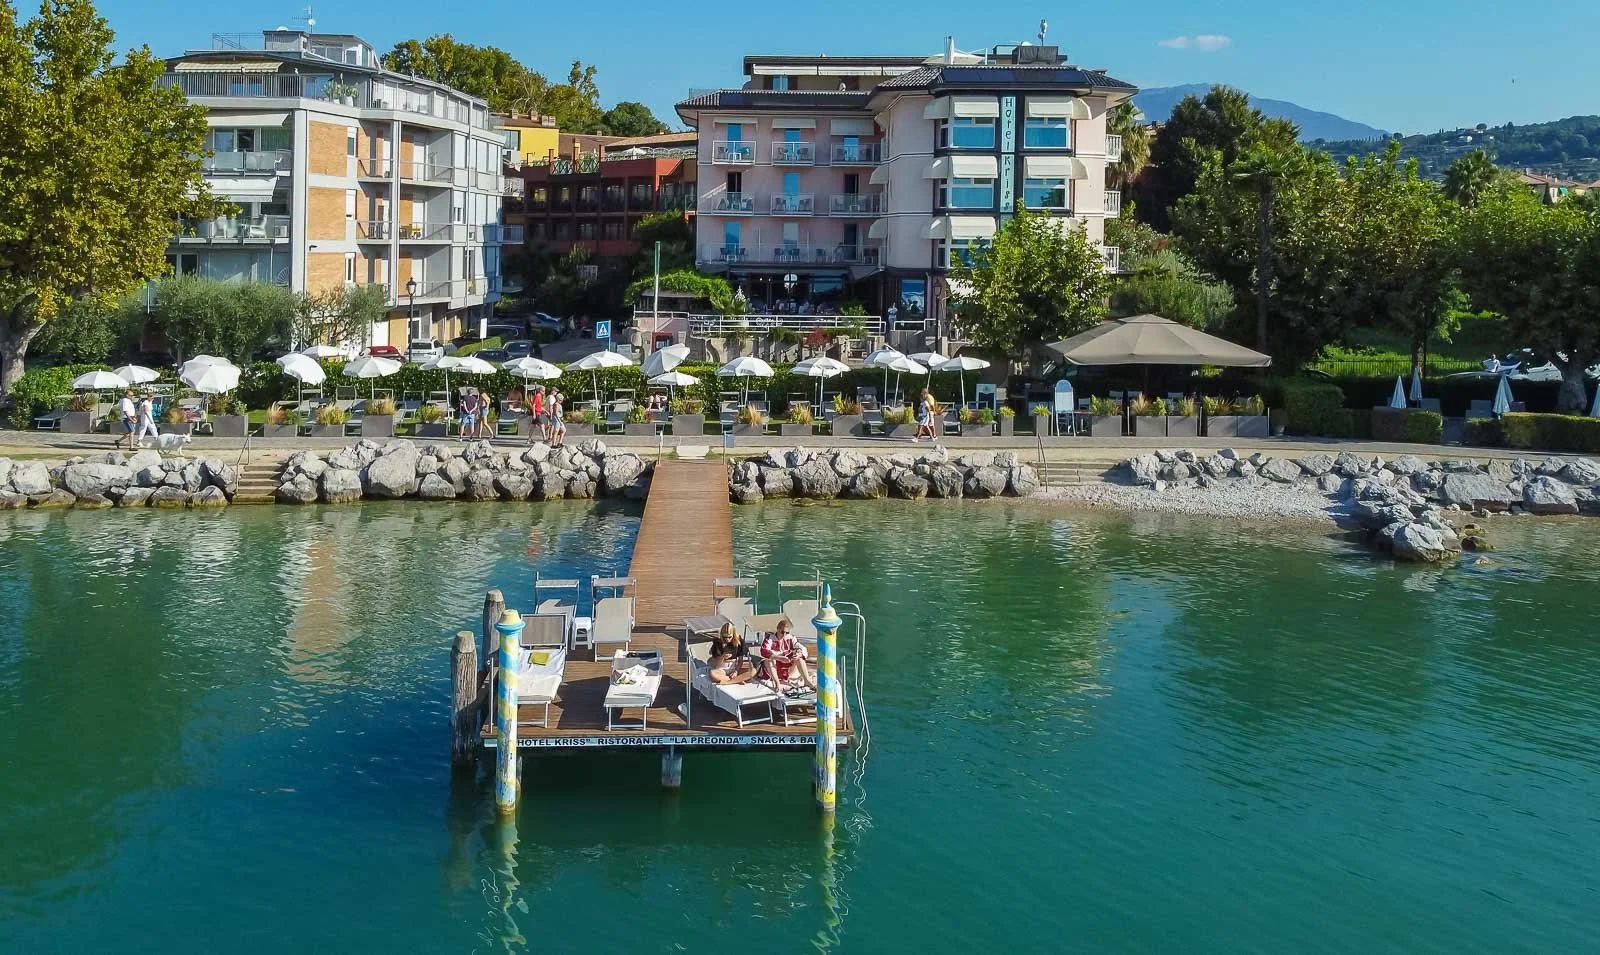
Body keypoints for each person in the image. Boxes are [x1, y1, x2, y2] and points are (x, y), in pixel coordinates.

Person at [759, 617, 817, 695]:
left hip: (787, 670)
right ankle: (777, 684)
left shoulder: (790, 638)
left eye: (787, 632)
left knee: (799, 659)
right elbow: (764, 651)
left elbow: (802, 648)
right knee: (769, 660)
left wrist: (799, 653)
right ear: (778, 629)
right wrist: (779, 658)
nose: (784, 634)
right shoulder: (770, 639)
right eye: (782, 632)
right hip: (773, 671)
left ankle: (807, 681)